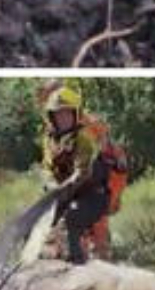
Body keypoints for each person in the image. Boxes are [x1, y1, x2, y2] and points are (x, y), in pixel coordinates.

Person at [40, 87, 111, 264]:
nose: (62, 118)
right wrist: (49, 184)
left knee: (70, 219)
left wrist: (62, 189)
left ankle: (75, 263)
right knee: (41, 222)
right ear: (52, 117)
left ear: (75, 115)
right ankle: (42, 259)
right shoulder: (50, 141)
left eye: (66, 114)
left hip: (93, 196)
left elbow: (82, 172)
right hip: (65, 195)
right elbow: (47, 168)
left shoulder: (83, 140)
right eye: (58, 114)